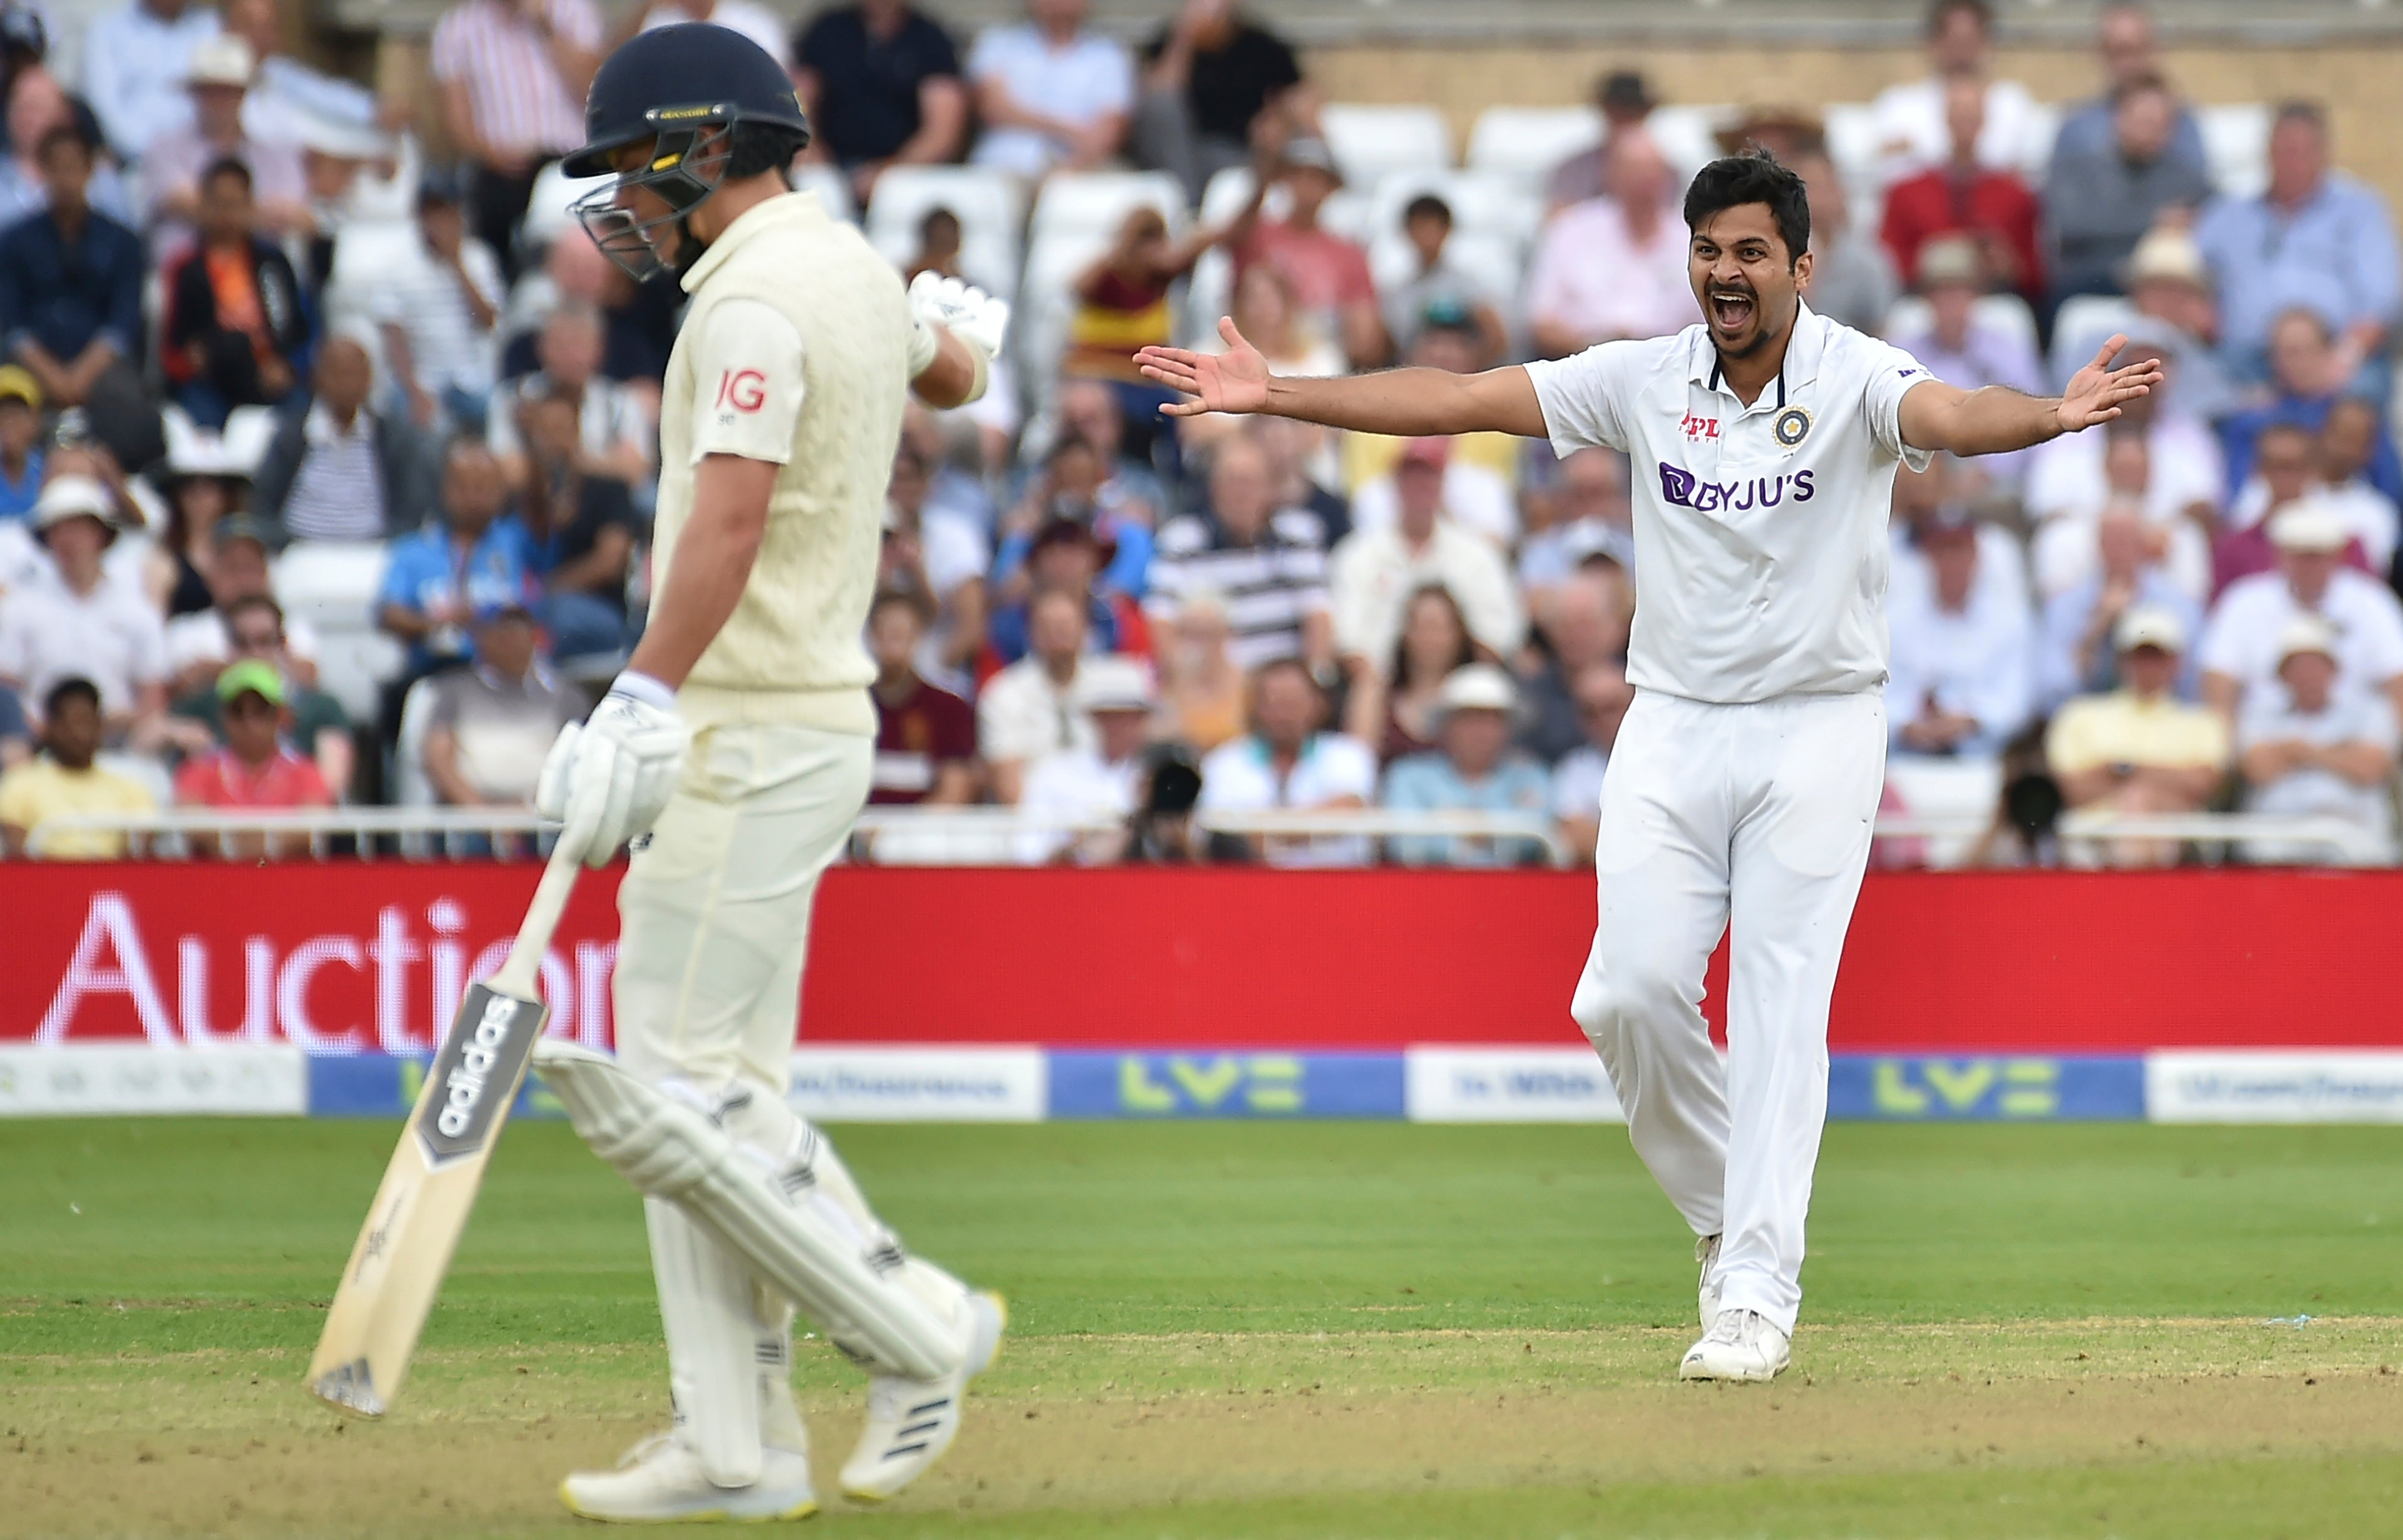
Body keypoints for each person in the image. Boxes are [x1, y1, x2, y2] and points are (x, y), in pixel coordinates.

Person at [1138, 146, 2160, 1381]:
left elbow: (1945, 415)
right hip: (1671, 718)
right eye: (1707, 251)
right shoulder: (1642, 377)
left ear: (1799, 265)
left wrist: (2046, 415)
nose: (1724, 275)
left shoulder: (1852, 373)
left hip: (1820, 722)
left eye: (1747, 253)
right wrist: (1280, 393)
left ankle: (1755, 1290)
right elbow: (1461, 398)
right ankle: (1731, 1217)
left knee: (1779, 1005)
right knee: (1620, 995)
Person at [522, 27, 1013, 1520]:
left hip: (746, 724)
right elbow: (956, 374)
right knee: (713, 1091)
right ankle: (733, 1446)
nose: (618, 202)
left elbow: (725, 530)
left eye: (628, 168)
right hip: (792, 721)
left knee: (678, 1099)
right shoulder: (847, 266)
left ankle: (919, 1326)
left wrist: (639, 699)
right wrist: (951, 334)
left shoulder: (747, 306)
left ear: (704, 148)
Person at [2193, 103, 2399, 390]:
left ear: (2324, 154)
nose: (2294, 161)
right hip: (2246, 360)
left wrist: (2343, 359)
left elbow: (2383, 301)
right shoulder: (2228, 215)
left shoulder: (2360, 210)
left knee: (2356, 412)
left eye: (2304, 151)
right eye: (2285, 150)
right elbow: (2186, 272)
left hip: (2338, 356)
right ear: (2268, 152)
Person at [0, 125, 155, 469]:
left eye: (74, 168)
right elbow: (11, 318)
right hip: (32, 359)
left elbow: (123, 319)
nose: (66, 178)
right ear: (42, 171)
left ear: (90, 171)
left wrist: (82, 374)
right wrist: (51, 373)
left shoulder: (122, 243)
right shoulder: (15, 241)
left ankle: (119, 485)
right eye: (57, 168)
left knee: (130, 408)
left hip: (99, 363)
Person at [2045, 604, 2228, 867]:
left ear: (2176, 662)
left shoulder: (2202, 722)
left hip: (2179, 846)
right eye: (2141, 657)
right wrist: (2161, 782)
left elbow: (2202, 785)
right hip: (2094, 844)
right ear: (2121, 661)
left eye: (2158, 657)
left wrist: (2121, 771)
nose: (2149, 666)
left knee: (2139, 803)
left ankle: (2134, 892)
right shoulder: (2079, 715)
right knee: (2139, 803)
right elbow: (2071, 790)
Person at [430, 0, 602, 274]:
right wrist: (491, 154)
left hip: (568, 166)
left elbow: (595, 90)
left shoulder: (572, 11)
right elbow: (456, 116)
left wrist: (546, 27)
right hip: (501, 169)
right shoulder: (458, 28)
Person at [1327, 436, 1523, 673]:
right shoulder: (1357, 556)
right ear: (1396, 485)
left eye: (1429, 478)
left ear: (1443, 484)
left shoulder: (1478, 555)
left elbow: (1502, 632)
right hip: (1382, 687)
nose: (1420, 488)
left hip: (1462, 684)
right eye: (1412, 478)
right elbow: (1348, 639)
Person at [2200, 502, 2403, 725]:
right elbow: (2220, 679)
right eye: (2301, 556)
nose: (2310, 566)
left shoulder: (2371, 602)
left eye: (2318, 556)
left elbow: (2397, 679)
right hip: (2266, 737)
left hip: (2353, 735)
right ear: (2280, 555)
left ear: (2338, 556)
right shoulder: (2244, 602)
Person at [1143, 434, 1328, 672]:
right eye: (1231, 482)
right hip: (1211, 684)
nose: (1241, 494)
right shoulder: (1181, 541)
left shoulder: (1298, 535)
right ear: (1213, 487)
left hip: (1283, 683)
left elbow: (1318, 616)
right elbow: (1160, 620)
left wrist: (1316, 678)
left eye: (1250, 482)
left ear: (1270, 488)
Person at [0, 474, 165, 739]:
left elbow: (152, 694)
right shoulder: (19, 609)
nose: (69, 540)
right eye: (59, 529)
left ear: (101, 534)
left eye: (78, 528)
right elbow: (7, 690)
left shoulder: (136, 610)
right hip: (41, 746)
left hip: (120, 743)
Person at [2238, 613, 2400, 866]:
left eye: (2314, 664)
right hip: (2277, 841)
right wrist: (2340, 752)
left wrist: (2300, 752)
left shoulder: (2370, 711)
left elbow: (2371, 767)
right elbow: (2259, 769)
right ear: (2282, 675)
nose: (2307, 674)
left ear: (2333, 669)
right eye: (2297, 666)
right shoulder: (2258, 716)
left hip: (2355, 838)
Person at [160, 159, 311, 429]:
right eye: (218, 204)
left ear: (251, 206)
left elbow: (300, 329)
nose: (226, 215)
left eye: (235, 205)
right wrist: (191, 362)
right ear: (203, 206)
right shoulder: (185, 268)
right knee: (201, 424)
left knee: (300, 420)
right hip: (210, 379)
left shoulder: (273, 264)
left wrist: (287, 368)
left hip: (268, 374)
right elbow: (173, 344)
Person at [2043, 73, 2211, 310]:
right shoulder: (2078, 169)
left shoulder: (2184, 178)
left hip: (2159, 287)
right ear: (2119, 118)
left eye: (2161, 125)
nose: (2151, 132)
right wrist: (2154, 224)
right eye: (2144, 122)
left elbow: (2215, 213)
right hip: (2091, 279)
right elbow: (2074, 225)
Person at [253, 333, 443, 541]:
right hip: (301, 551)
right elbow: (263, 502)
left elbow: (411, 508)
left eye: (354, 374)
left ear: (368, 379)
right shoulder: (292, 434)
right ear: (317, 377)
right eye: (337, 374)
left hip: (373, 553)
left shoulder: (393, 437)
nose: (346, 383)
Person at [1886, 235, 2043, 483]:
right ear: (1927, 298)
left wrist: (1990, 473)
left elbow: (2032, 417)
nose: (1951, 304)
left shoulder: (2006, 350)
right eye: (1942, 293)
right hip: (1919, 482)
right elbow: (1890, 423)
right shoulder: (1902, 353)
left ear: (1975, 296)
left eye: (1959, 292)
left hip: (1997, 486)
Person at [1196, 653, 1375, 867]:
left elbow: (1348, 811)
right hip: (1250, 889)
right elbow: (1225, 837)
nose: (1283, 715)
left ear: (1317, 705)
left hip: (1336, 888)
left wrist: (1263, 830)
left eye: (1292, 703)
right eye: (1274, 703)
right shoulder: (1224, 762)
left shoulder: (1348, 755)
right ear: (1256, 707)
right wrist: (1313, 825)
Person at [1223, 132, 1383, 370]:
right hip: (1254, 353)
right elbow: (1226, 242)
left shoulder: (1349, 253)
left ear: (1332, 187)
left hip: (1319, 361)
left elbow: (1365, 339)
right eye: (1297, 175)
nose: (1306, 185)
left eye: (1317, 178)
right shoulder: (1256, 235)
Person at [375, 439, 538, 673]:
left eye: (484, 487)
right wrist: (438, 624)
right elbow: (389, 614)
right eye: (462, 486)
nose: (473, 496)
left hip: (510, 676)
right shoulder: (412, 551)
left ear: (502, 491)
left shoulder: (519, 542)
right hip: (439, 673)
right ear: (444, 489)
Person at [166, 590, 350, 796]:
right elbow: (146, 741)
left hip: (297, 816)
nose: (254, 653)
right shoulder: (202, 703)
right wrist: (174, 732)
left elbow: (332, 787)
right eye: (243, 642)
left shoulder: (322, 707)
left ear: (283, 644)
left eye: (264, 641)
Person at [1530, 130, 1695, 359]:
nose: (1644, 183)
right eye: (1634, 172)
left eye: (1651, 173)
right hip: (1583, 366)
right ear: (1612, 175)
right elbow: (1542, 323)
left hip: (1672, 366)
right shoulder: (1571, 231)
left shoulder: (1691, 238)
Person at [1878, 76, 2043, 304]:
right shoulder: (1906, 193)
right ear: (1946, 119)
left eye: (1971, 116)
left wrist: (2007, 265)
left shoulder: (2015, 196)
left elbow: (2035, 275)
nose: (1965, 124)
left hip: (1994, 301)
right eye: (1959, 115)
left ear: (1984, 120)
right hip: (1922, 302)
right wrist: (1929, 260)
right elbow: (1887, 264)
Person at [419, 601, 579, 833]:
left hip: (545, 820)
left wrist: (531, 811)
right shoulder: (452, 691)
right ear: (481, 637)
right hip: (472, 823)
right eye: (503, 628)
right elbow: (438, 759)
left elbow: (576, 761)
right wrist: (483, 817)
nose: (513, 637)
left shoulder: (566, 697)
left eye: (521, 628)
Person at [1885, 509, 2033, 760]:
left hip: (1981, 758)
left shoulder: (2009, 622)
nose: (1952, 561)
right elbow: (1879, 695)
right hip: (1903, 758)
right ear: (1927, 557)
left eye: (1960, 550)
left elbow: (2017, 700)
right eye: (1942, 551)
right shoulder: (1894, 620)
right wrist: (1905, 724)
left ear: (1976, 556)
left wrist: (1971, 720)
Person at [512, 382, 642, 658]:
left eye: (561, 429)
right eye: (545, 431)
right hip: (536, 603)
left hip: (597, 608)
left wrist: (543, 591)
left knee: (548, 616)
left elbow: (609, 562)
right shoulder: (527, 497)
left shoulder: (610, 489)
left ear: (578, 430)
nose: (554, 439)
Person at [139, 33, 308, 242]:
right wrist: (255, 214)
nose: (219, 100)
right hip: (184, 268)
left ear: (243, 93)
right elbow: (177, 201)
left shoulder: (273, 152)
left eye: (228, 90)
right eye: (210, 90)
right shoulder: (165, 147)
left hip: (257, 268)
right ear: (195, 93)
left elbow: (296, 214)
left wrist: (217, 211)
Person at [792, 0, 967, 202]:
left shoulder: (931, 40)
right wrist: (813, 154)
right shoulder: (826, 32)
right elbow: (799, 103)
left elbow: (941, 133)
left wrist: (887, 173)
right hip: (830, 170)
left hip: (905, 174)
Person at [1135, 0, 1309, 202]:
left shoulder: (1264, 47)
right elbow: (1156, 99)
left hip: (1238, 150)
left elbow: (1299, 100)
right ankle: (1190, 205)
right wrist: (1185, 39)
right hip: (1179, 150)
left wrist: (1278, 122)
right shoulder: (1167, 42)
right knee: (1162, 110)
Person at [1382, 662, 1552, 868]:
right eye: (1469, 719)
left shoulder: (1532, 776)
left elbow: (1540, 836)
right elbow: (1401, 841)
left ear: (1509, 728)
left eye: (1493, 720)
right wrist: (1490, 831)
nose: (1481, 731)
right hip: (1430, 892)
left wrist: (1455, 826)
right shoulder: (1409, 775)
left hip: (1514, 893)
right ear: (1445, 725)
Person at [2036, 504, 2202, 714]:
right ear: (2098, 547)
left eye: (2127, 542)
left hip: (2162, 721)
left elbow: (2192, 687)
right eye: (2110, 542)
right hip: (2090, 726)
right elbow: (2052, 695)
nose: (2119, 552)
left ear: (2144, 546)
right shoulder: (2066, 607)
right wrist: (2097, 627)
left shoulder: (2180, 606)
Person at [371, 174, 505, 431]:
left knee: (491, 413)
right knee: (411, 422)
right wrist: (414, 391)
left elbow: (488, 322)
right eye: (433, 214)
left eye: (447, 213)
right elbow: (394, 340)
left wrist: (458, 266)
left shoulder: (479, 259)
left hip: (469, 381)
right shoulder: (397, 267)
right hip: (421, 380)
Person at [1868, 0, 2046, 188]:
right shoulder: (1899, 106)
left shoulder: (2014, 104)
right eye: (1954, 42)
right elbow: (1885, 176)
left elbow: (2029, 179)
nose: (1962, 53)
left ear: (1987, 43)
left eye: (1970, 42)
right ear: (1933, 44)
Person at [171, 658, 332, 858]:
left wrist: (234, 842)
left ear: (281, 716)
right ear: (224, 717)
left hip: (286, 884)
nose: (249, 722)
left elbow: (313, 826)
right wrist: (269, 842)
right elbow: (192, 823)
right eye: (238, 711)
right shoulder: (197, 772)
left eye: (261, 711)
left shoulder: (306, 773)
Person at [488, 302, 652, 491]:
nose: (570, 355)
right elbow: (507, 472)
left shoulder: (621, 403)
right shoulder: (511, 399)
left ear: (599, 349)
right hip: (532, 506)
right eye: (560, 344)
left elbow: (635, 471)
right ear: (541, 347)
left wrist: (571, 456)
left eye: (579, 344)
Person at [965, 0, 1132, 181]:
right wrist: (1072, 132)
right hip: (1002, 166)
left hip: (1081, 172)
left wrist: (1068, 170)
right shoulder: (996, 44)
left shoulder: (1109, 55)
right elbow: (993, 108)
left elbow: (1110, 130)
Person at [1014, 652, 1154, 864]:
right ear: (1094, 718)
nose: (1120, 726)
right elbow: (1028, 848)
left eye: (1130, 716)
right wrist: (1076, 848)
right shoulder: (1055, 773)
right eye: (1110, 716)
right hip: (1072, 888)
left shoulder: (1158, 773)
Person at [0, 674, 153, 857]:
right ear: (50, 726)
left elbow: (141, 855)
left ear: (99, 725)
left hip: (113, 882)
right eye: (69, 725)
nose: (79, 734)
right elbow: (18, 857)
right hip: (46, 882)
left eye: (87, 723)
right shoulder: (19, 784)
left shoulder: (131, 788)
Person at [2049, 3, 2207, 171]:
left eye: (2137, 50)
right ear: (2101, 52)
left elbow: (2198, 190)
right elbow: (2061, 192)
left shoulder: (2183, 125)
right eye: (2118, 51)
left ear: (2154, 49)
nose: (2128, 63)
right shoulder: (2076, 131)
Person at [979, 585, 1091, 804]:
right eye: (1052, 627)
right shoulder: (1003, 694)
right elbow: (1009, 788)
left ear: (1084, 629)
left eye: (1068, 625)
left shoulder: (1110, 689)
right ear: (1033, 633)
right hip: (1033, 825)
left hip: (1103, 819)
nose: (1061, 634)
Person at [1344, 581, 1473, 763]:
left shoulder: (1476, 699)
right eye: (1422, 627)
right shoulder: (1376, 695)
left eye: (1439, 628)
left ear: (1459, 634)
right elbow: (1357, 764)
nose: (1431, 638)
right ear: (1405, 632)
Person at [866, 589, 975, 804]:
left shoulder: (949, 709)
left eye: (901, 635)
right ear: (871, 636)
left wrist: (898, 834)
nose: (893, 645)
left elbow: (955, 791)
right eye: (885, 634)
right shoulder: (854, 706)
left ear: (918, 637)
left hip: (922, 831)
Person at [77, 0, 219, 164]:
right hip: (130, 164)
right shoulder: (108, 30)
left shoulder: (210, 26)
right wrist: (152, 155)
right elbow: (102, 106)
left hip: (202, 162)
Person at [1514, 571, 1630, 765]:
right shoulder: (1534, 695)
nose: (1577, 636)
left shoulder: (1640, 685)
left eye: (1587, 624)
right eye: (1565, 625)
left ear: (1616, 628)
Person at [1381, 198, 1509, 370]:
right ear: (1407, 232)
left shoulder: (1468, 285)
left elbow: (1497, 337)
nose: (1427, 237)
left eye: (1433, 228)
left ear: (1447, 231)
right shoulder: (1397, 292)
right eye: (1420, 228)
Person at [1790, 147, 1896, 338]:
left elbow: (1880, 331)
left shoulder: (1867, 264)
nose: (1812, 200)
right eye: (1803, 190)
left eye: (1820, 188)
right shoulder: (1770, 259)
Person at [1550, 658, 1634, 865]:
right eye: (1590, 712)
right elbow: (1575, 839)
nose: (1602, 720)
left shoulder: (1666, 762)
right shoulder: (1573, 769)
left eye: (1611, 707)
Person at [1546, 69, 1660, 213]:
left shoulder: (1669, 174)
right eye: (1618, 109)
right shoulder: (1574, 171)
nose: (1625, 117)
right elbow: (1558, 223)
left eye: (1634, 110)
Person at [1153, 586, 1243, 752]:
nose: (1198, 645)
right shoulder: (1163, 688)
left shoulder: (1247, 686)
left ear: (1225, 635)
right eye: (1189, 634)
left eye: (1206, 634)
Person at [0, 359, 38, 518]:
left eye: (17, 414)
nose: (9, 423)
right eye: (3, 415)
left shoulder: (49, 473)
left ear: (35, 422)